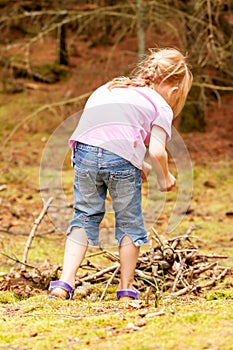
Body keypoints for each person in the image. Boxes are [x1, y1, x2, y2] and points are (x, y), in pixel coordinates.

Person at [49, 47, 193, 300]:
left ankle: (64, 283)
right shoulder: (160, 104)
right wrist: (164, 177)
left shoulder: (114, 87)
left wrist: (141, 166)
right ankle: (126, 289)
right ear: (174, 90)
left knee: (83, 216)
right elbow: (158, 152)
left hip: (83, 152)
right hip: (119, 162)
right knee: (129, 222)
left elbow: (107, 137)